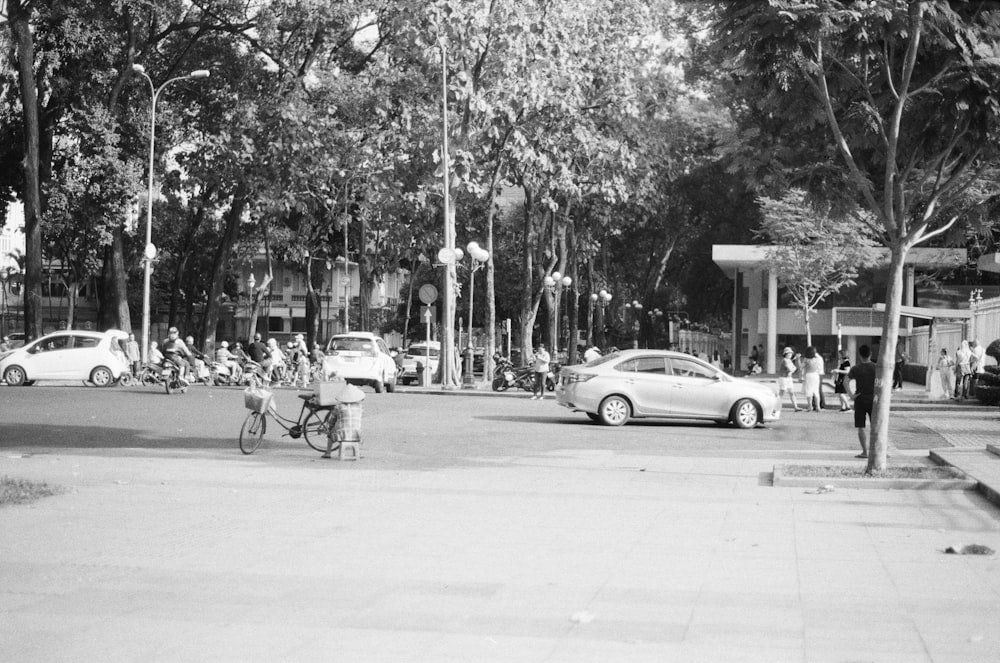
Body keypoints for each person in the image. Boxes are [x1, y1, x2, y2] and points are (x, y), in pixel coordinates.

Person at [846, 344, 877, 459]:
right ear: (870, 354)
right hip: (874, 399)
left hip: (860, 399)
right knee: (876, 426)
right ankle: (876, 451)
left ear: (860, 355)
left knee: (861, 426)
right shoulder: (876, 367)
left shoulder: (856, 368)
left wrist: (851, 395)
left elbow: (846, 381)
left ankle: (865, 452)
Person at [776, 347, 802, 412]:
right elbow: (792, 369)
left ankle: (796, 407)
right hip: (783, 378)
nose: (790, 354)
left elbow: (793, 369)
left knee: (791, 393)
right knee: (782, 393)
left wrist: (794, 367)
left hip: (789, 378)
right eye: (788, 353)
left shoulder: (789, 360)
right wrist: (794, 368)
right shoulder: (785, 360)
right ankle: (776, 407)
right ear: (785, 354)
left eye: (790, 353)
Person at [800, 346, 825, 412]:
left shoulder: (806, 359)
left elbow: (801, 367)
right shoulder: (817, 358)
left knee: (809, 392)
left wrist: (798, 360)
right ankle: (818, 407)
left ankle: (810, 406)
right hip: (816, 375)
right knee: (816, 392)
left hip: (809, 375)